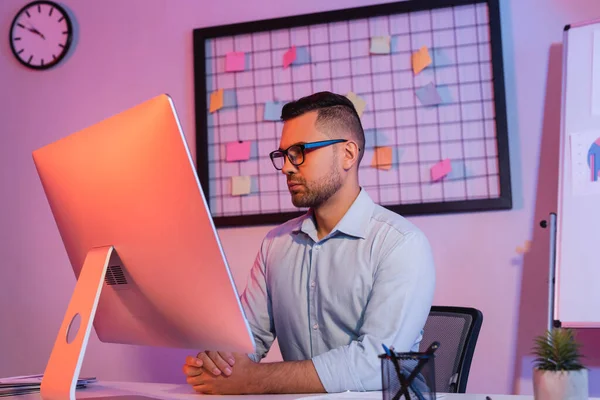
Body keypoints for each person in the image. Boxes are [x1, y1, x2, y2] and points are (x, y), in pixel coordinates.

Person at [182, 91, 436, 395]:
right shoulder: (276, 244)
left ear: (348, 154)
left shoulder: (401, 244)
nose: (288, 167)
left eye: (300, 151)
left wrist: (251, 379)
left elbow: (375, 366)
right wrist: (217, 364)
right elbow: (245, 342)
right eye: (284, 155)